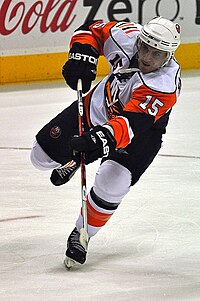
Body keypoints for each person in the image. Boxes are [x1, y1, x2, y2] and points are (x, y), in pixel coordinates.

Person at [30, 16, 181, 267]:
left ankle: (82, 233)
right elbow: (91, 29)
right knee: (40, 157)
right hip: (98, 108)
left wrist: (99, 140)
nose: (146, 57)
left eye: (156, 54)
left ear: (169, 56)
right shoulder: (125, 36)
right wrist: (82, 53)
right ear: (140, 39)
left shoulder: (164, 85)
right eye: (144, 47)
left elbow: (130, 124)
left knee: (113, 182)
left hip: (142, 134)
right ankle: (76, 159)